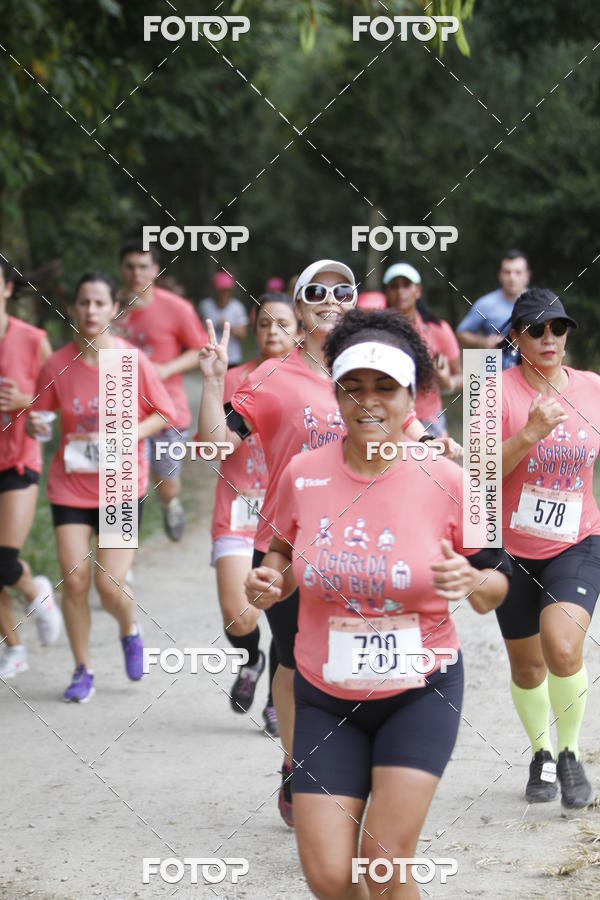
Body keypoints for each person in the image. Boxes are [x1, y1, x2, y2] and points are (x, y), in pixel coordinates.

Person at [245, 308, 511, 899]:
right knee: (330, 878)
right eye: (353, 387)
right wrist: (268, 580)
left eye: (385, 387)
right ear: (336, 394)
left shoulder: (451, 480)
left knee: (383, 865)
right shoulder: (302, 474)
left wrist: (472, 580)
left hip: (419, 692)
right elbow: (277, 555)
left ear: (412, 398)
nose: (368, 401)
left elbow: (498, 586)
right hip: (324, 696)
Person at [198, 259, 446, 828]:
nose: (330, 300)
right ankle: (296, 764)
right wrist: (213, 382)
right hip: (288, 545)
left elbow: (417, 435)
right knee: (294, 661)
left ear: (356, 301)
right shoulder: (271, 376)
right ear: (299, 305)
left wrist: (443, 454)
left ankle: (361, 763)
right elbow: (215, 445)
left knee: (358, 657)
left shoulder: (369, 367)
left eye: (342, 291)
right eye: (316, 292)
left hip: (365, 546)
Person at [27, 272, 175, 703]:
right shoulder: (57, 364)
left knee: (109, 586)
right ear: (73, 308)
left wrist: (129, 435)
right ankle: (82, 670)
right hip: (70, 486)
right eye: (84, 302)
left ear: (113, 309)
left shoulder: (130, 361)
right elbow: (40, 416)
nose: (91, 310)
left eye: (99, 303)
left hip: (120, 487)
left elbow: (164, 412)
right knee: (74, 582)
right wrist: (36, 424)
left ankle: (129, 629)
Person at [499, 287, 599, 810]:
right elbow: (477, 477)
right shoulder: (492, 392)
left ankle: (569, 754)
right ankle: (540, 752)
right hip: (511, 550)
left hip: (576, 542)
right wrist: (529, 434)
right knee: (528, 668)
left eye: (558, 328)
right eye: (536, 329)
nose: (549, 338)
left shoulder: (592, 388)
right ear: (516, 337)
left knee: (562, 648)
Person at [202, 292, 301, 736]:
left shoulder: (312, 382)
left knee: (285, 616)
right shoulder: (234, 378)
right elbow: (211, 446)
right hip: (239, 512)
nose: (272, 332)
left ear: (300, 331)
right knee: (240, 616)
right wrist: (212, 382)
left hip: (286, 519)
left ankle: (277, 702)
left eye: (283, 323)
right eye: (263, 323)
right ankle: (251, 659)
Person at [116, 239, 208, 541]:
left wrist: (166, 370)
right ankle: (120, 545)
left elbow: (199, 349)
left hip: (167, 413)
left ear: (155, 269)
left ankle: (170, 504)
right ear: (121, 269)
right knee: (124, 485)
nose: (136, 274)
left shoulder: (176, 308)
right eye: (130, 267)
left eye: (143, 267)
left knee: (166, 482)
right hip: (121, 413)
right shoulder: (110, 308)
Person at [0, 259, 61, 678]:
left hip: (18, 458)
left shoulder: (33, 339)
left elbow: (57, 393)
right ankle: (14, 648)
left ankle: (37, 591)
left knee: (4, 562)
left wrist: (24, 400)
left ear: (7, 289)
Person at [383, 263, 462, 438]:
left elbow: (462, 376)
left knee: (435, 456)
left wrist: (446, 382)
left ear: (418, 290)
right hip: (389, 418)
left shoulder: (438, 329)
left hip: (429, 419)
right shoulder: (377, 331)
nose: (400, 292)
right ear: (386, 292)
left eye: (406, 285)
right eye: (394, 286)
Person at [456, 249, 531, 369]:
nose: (512, 277)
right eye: (507, 272)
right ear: (500, 275)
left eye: (518, 272)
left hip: (532, 373)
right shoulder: (485, 304)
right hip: (494, 374)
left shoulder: (539, 303)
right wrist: (484, 341)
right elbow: (461, 334)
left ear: (527, 275)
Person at [198, 272, 249, 368]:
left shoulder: (237, 307)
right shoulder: (205, 306)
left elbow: (243, 334)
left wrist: (227, 326)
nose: (225, 293)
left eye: (228, 290)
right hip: (210, 356)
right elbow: (198, 330)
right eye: (222, 290)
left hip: (232, 358)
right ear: (215, 290)